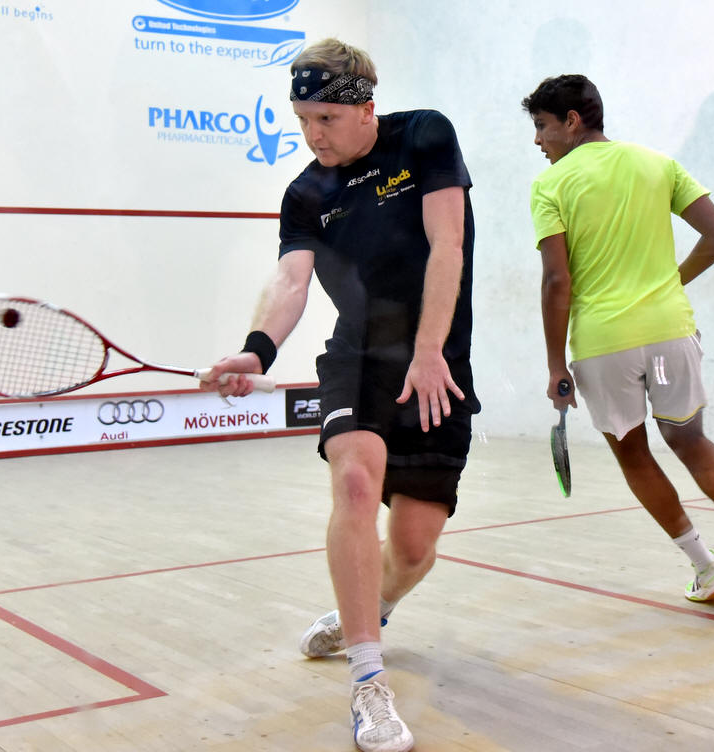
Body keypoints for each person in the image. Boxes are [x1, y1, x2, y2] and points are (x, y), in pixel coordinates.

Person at [201, 39, 480, 752]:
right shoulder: (305, 194)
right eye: (301, 120)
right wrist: (257, 348)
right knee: (354, 482)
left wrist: (428, 352)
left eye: (325, 118)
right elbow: (291, 281)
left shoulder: (424, 135)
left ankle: (370, 608)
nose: (313, 135)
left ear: (365, 108)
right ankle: (367, 679)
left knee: (413, 550)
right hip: (358, 357)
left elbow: (446, 244)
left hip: (438, 360)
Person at [521, 74, 714, 604]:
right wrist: (671, 283)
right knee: (690, 440)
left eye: (542, 126)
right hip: (671, 334)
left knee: (634, 456)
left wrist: (556, 364)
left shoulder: (550, 185)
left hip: (604, 345)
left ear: (572, 121)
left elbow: (558, 280)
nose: (538, 141)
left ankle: (707, 568)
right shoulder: (658, 163)